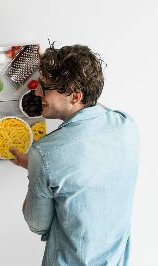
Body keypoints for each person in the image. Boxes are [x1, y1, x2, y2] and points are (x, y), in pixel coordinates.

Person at [9, 44, 140, 265]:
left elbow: (37, 225)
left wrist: (36, 169)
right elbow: (93, 106)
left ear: (75, 96)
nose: (37, 92)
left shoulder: (44, 153)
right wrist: (56, 72)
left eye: (45, 87)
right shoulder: (127, 125)